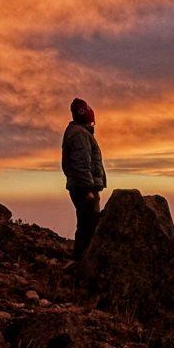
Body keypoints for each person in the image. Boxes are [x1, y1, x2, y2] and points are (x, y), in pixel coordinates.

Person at [61, 98, 106, 259]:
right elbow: (82, 163)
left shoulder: (77, 132)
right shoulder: (79, 134)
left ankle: (82, 258)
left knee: (87, 223)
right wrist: (88, 189)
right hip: (84, 188)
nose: (93, 127)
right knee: (88, 225)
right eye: (92, 123)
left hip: (81, 186)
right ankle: (82, 260)